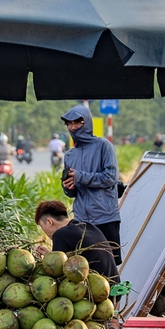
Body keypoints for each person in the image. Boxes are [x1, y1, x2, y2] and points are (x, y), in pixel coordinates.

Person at [60, 104, 122, 264]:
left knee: (110, 266)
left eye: (77, 122)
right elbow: (71, 189)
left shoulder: (104, 146)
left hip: (105, 217)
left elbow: (110, 178)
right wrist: (68, 188)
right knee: (86, 266)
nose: (73, 127)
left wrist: (80, 177)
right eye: (69, 123)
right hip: (81, 219)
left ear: (86, 122)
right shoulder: (69, 155)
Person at [34, 200, 119, 280]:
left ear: (49, 222)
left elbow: (56, 273)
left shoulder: (60, 234)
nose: (44, 231)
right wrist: (49, 255)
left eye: (42, 226)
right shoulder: (87, 225)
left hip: (99, 292)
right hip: (114, 285)